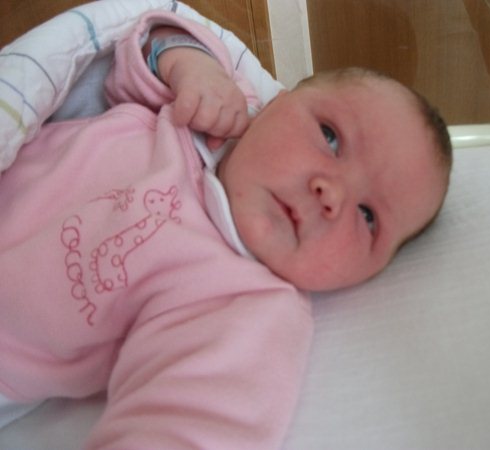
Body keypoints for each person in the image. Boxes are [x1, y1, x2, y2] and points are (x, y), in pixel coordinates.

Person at [0, 8, 451, 450]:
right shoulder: (218, 113)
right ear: (278, 101)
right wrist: (190, 65)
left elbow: (190, 423)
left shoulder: (245, 304)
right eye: (330, 137)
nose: (331, 194)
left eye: (368, 217)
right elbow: (135, 51)